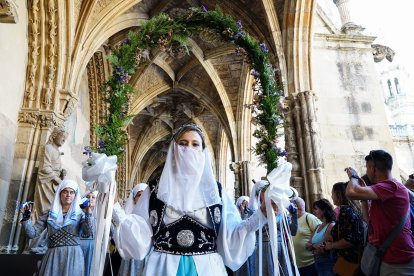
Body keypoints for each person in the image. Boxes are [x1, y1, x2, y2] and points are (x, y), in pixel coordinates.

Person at [112, 124, 268, 275]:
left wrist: (261, 215)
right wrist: (114, 207)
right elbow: (139, 235)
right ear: (174, 149)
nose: (189, 149)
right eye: (183, 143)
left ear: (202, 151)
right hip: (163, 269)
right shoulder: (154, 190)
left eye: (195, 144)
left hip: (207, 269)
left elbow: (233, 234)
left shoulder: (216, 192)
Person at [345, 149, 414, 275]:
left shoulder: (391, 186)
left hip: (397, 260)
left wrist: (353, 176)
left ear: (373, 168)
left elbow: (351, 192)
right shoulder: (383, 191)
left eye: (367, 168)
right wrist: (364, 201)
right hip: (384, 257)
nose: (366, 171)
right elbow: (369, 222)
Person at [21, 179, 94, 275]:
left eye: (71, 192)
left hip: (73, 257)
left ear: (75, 195)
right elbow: (32, 233)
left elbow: (87, 233)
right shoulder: (49, 214)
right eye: (65, 192)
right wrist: (26, 219)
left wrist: (88, 214)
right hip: (53, 256)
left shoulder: (80, 214)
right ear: (60, 194)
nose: (68, 195)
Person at [252, 180, 298, 276]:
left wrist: (294, 215)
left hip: (280, 248)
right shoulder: (254, 212)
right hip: (263, 249)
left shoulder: (282, 212)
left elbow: (293, 232)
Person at [324, 182, 364, 275]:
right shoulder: (351, 209)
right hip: (350, 258)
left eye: (332, 193)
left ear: (338, 194)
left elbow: (350, 240)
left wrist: (331, 245)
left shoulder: (345, 211)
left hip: (348, 260)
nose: (331, 196)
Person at [118, 183, 148, 276]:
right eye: (139, 195)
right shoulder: (128, 216)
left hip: (146, 257)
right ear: (134, 198)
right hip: (131, 256)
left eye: (144, 194)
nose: (142, 197)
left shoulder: (152, 215)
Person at [306, 199, 336, 276]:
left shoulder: (331, 226)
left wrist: (313, 246)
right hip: (317, 262)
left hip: (327, 263)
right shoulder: (317, 227)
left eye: (316, 209)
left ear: (324, 210)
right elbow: (307, 245)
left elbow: (325, 249)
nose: (314, 212)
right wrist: (314, 246)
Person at [292, 197, 320, 276]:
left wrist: (312, 244)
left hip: (309, 263)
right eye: (297, 208)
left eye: (301, 208)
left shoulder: (309, 218)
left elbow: (322, 233)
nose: (299, 210)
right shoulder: (291, 218)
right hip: (295, 263)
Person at [234, 195, 255, 276]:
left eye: (247, 204)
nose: (245, 206)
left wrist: (245, 213)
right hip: (239, 246)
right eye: (243, 204)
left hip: (249, 245)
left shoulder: (251, 214)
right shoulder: (235, 215)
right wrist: (242, 213)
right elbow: (240, 226)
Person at [79, 190, 98, 276]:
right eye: (88, 197)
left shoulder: (101, 216)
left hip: (94, 248)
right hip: (79, 247)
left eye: (93, 197)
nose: (90, 199)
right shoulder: (79, 213)